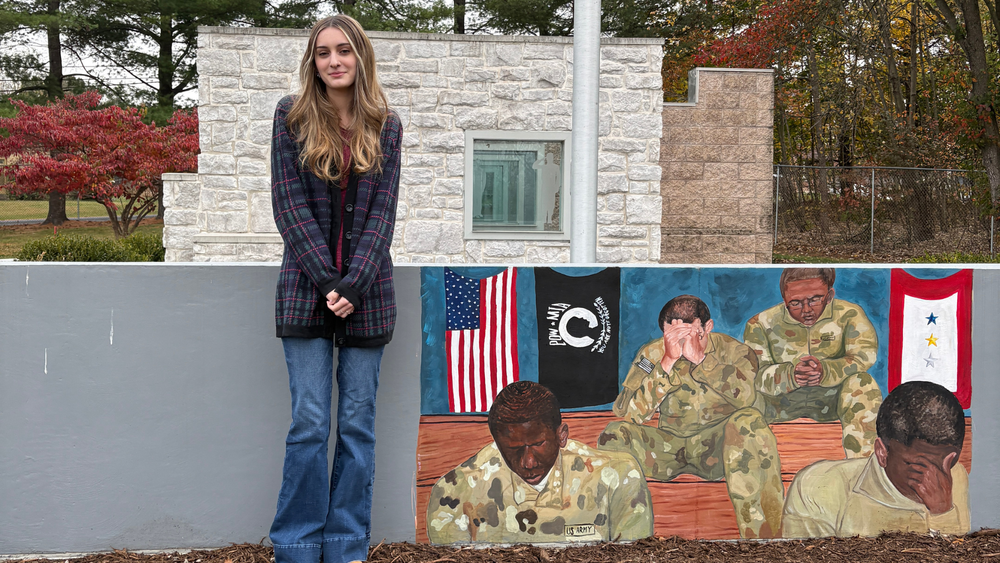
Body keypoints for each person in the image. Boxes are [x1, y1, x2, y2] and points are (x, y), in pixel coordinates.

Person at [268, 15, 402, 563]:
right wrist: (328, 281)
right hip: (305, 292)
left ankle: (346, 546)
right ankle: (296, 547)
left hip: (369, 298)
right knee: (310, 425)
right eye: (323, 53)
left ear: (361, 57)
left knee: (355, 427)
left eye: (344, 51)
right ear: (312, 62)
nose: (334, 61)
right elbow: (288, 204)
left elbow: (383, 214)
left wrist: (354, 282)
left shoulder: (386, 124)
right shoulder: (291, 117)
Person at [597, 295, 784, 539]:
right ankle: (615, 537)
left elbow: (747, 397)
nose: (680, 342)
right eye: (672, 335)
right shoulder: (652, 353)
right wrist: (666, 363)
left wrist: (702, 360)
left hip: (718, 448)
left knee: (749, 421)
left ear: (707, 327)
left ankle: (764, 539)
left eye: (689, 334)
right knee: (613, 434)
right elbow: (628, 413)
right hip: (667, 447)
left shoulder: (736, 352)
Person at [426, 381, 653, 544]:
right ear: (497, 443)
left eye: (538, 444)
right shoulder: (454, 493)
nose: (528, 462)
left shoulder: (617, 477)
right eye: (513, 449)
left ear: (561, 435)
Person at [782, 381, 969, 537]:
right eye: (918, 466)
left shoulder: (954, 477)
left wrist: (943, 511)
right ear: (882, 453)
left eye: (948, 464)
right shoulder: (816, 487)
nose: (934, 479)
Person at [743, 268, 883, 458]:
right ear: (784, 300)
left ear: (830, 295)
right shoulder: (760, 323)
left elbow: (863, 356)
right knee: (745, 395)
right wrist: (790, 376)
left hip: (834, 401)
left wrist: (826, 371)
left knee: (863, 383)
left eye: (815, 299)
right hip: (779, 403)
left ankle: (863, 467)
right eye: (795, 303)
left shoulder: (850, 315)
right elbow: (756, 374)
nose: (806, 309)